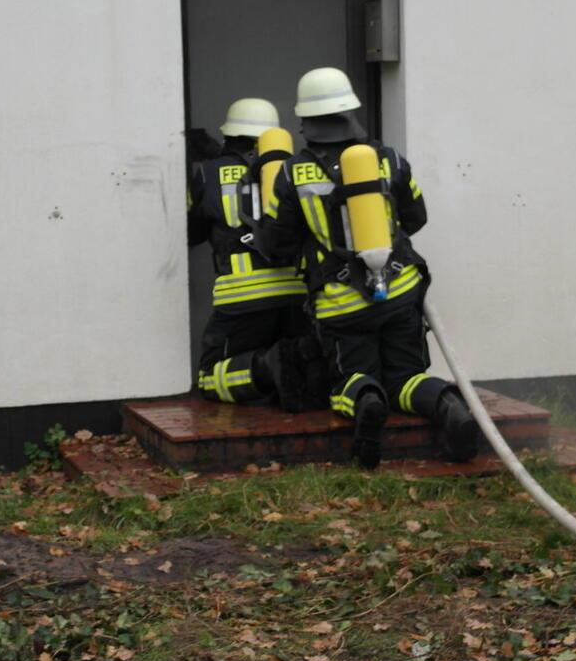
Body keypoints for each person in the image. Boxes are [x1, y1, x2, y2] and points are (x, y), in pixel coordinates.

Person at [262, 68, 478, 469]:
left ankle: (366, 399)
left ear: (306, 121)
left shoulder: (292, 173)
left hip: (342, 305)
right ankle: (448, 403)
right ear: (350, 112)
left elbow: (276, 242)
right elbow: (416, 217)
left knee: (347, 378)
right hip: (399, 293)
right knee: (408, 376)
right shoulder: (390, 159)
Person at [187, 97, 315, 408]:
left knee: (209, 377)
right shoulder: (293, 168)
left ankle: (263, 367)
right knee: (297, 359)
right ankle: (285, 368)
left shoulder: (208, 173)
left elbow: (192, 232)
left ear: (229, 135)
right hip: (296, 296)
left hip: (241, 300)